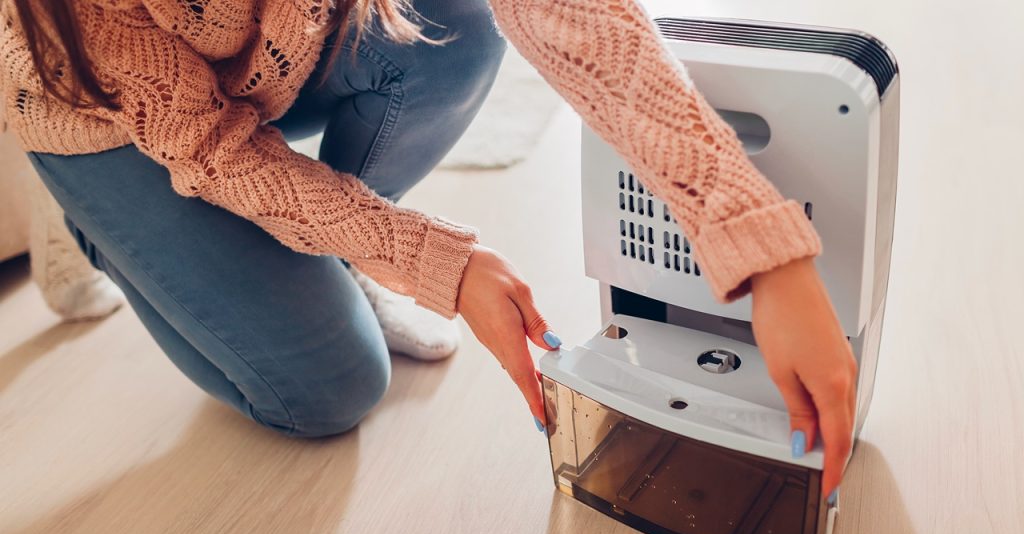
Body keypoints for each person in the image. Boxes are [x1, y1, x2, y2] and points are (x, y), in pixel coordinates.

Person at [0, 0, 856, 499]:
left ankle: (320, 250)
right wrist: (435, 261)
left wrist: (756, 244)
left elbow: (569, 16)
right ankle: (101, 225)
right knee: (330, 393)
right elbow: (216, 152)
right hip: (105, 105)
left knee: (459, 25)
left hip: (269, 61)